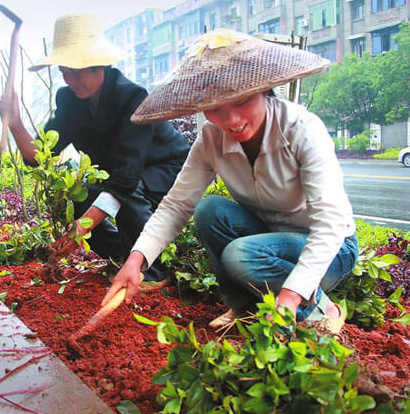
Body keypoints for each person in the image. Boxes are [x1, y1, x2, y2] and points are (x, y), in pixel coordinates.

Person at [102, 29, 358, 332]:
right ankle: (244, 307)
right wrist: (136, 260)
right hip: (268, 236)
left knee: (241, 256)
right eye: (215, 109)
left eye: (242, 100)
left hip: (332, 249)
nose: (232, 120)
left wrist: (291, 294)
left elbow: (329, 224)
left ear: (263, 88)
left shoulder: (302, 129)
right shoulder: (210, 140)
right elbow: (175, 206)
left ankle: (318, 309)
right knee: (209, 210)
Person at [0, 14, 190, 282]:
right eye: (65, 73)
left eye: (76, 73)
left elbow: (126, 178)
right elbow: (39, 156)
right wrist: (15, 122)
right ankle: (124, 256)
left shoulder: (132, 97)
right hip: (124, 180)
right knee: (77, 196)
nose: (70, 81)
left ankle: (153, 273)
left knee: (127, 194)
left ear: (98, 65)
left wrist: (83, 226)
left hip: (166, 169)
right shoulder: (69, 100)